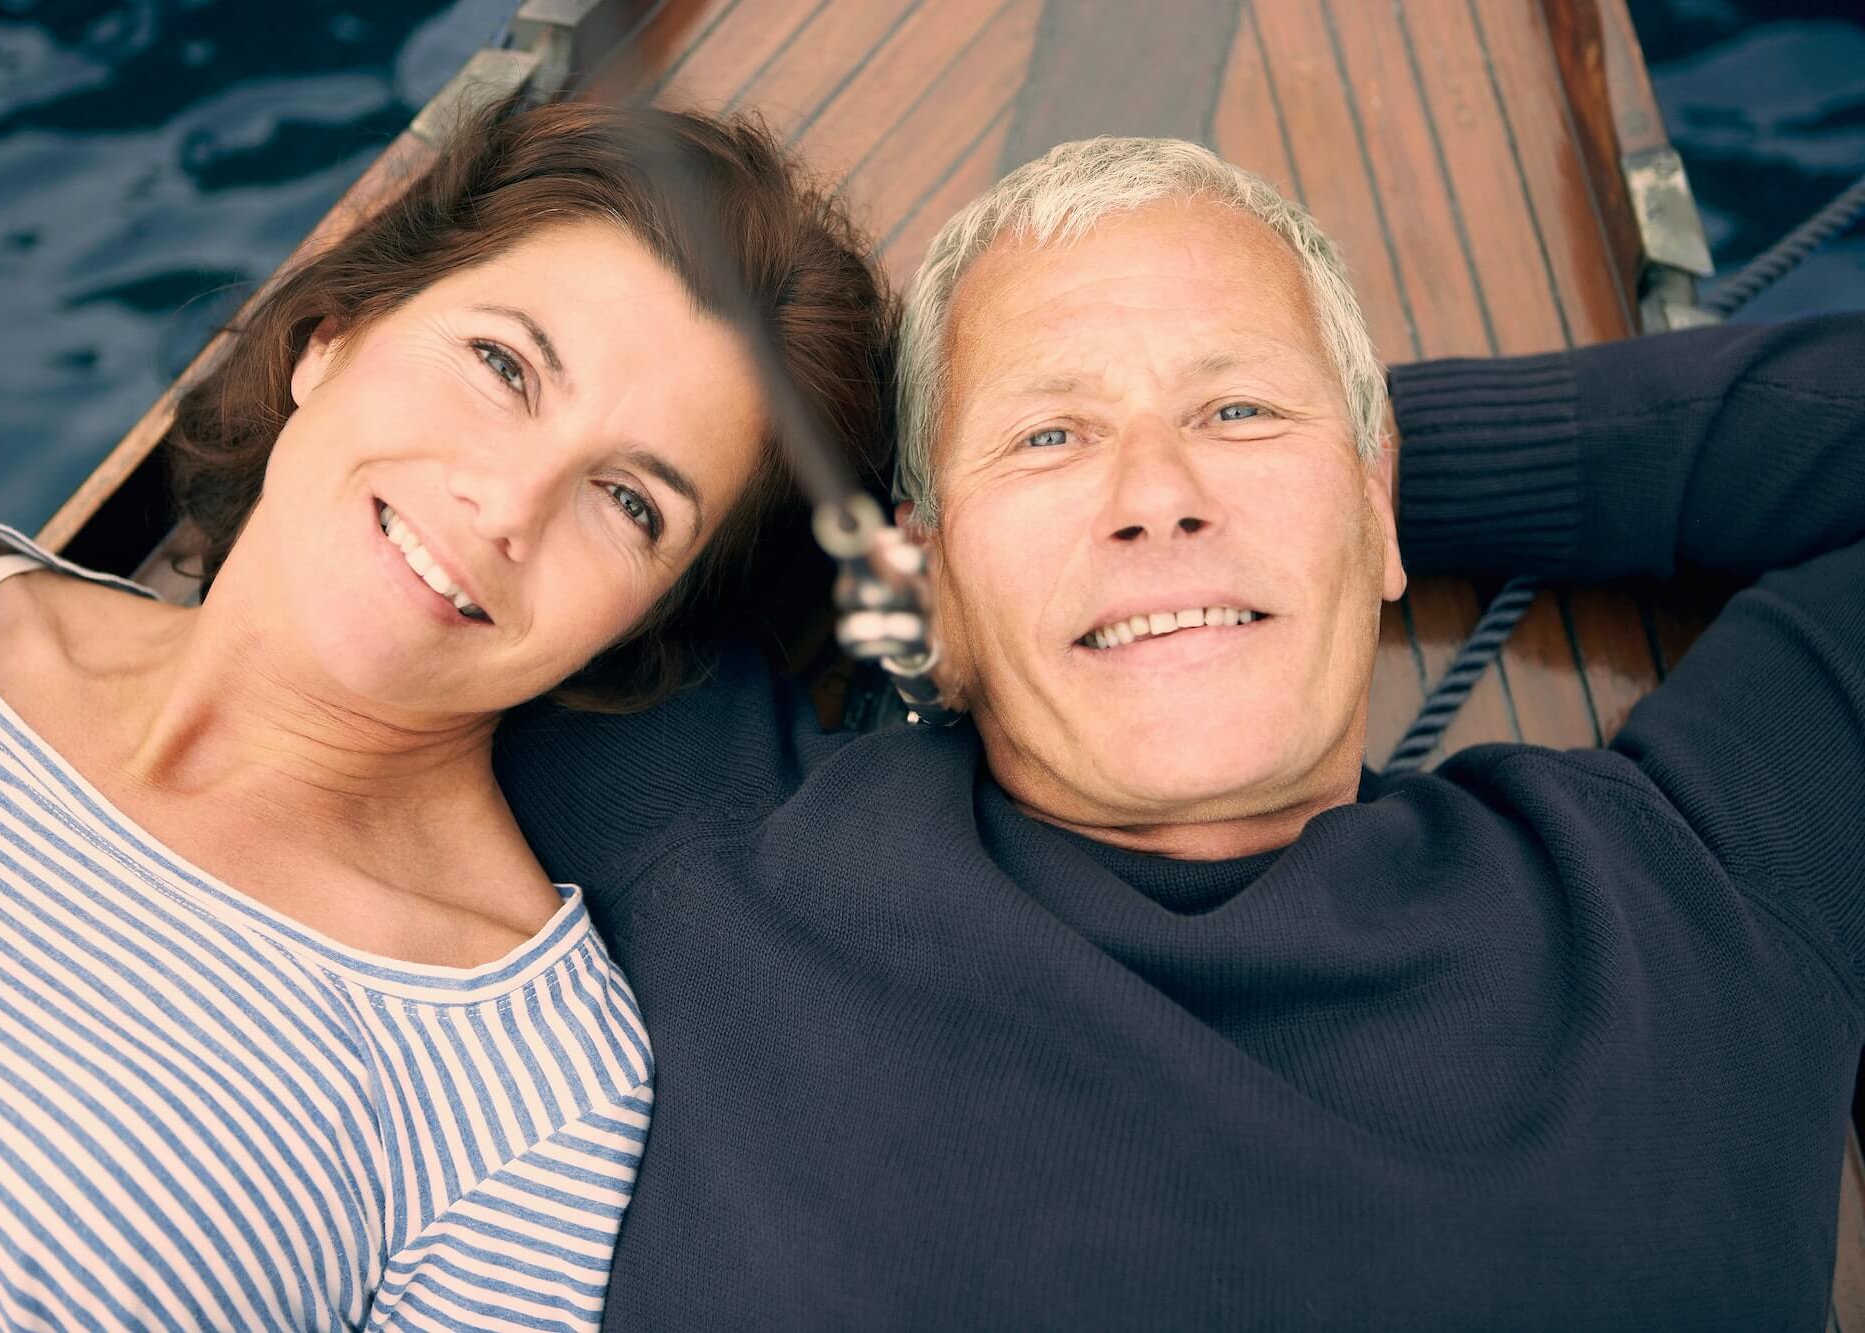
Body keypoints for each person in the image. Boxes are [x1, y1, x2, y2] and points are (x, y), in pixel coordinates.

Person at [495, 136, 1865, 1330]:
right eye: (1050, 438)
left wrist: (1358, 474)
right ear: (928, 579)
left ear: (1377, 498)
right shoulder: (718, 853)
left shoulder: (1702, 891)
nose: (1158, 491)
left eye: (1238, 410)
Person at [0, 98, 890, 1332]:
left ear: (644, 621)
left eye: (626, 501)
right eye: (503, 367)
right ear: (332, 335)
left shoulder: (525, 1091)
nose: (506, 502)